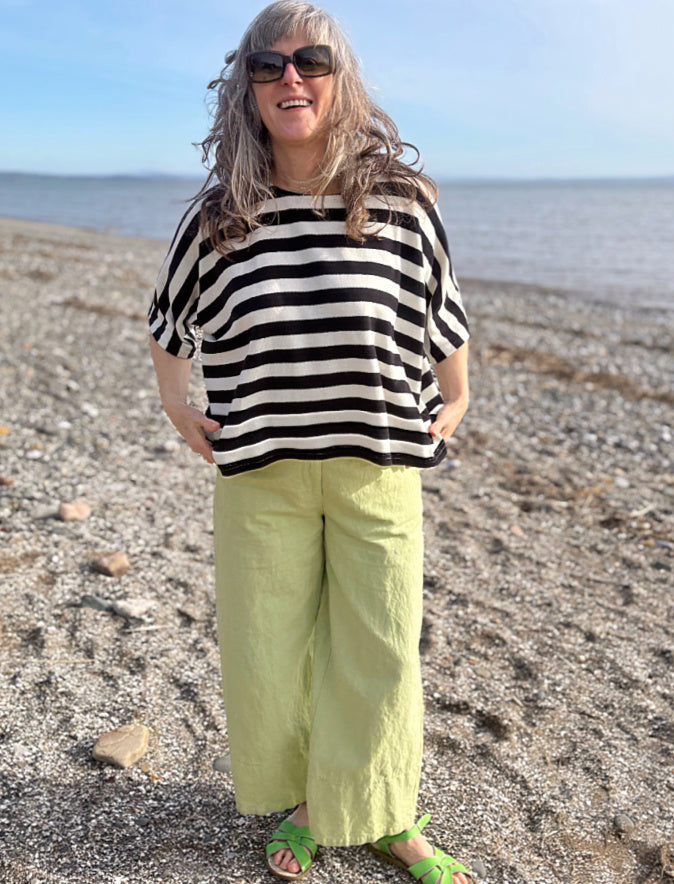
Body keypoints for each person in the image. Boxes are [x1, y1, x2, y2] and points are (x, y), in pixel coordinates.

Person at [148, 2, 472, 881]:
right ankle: (304, 803)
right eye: (268, 66)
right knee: (271, 652)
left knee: (380, 647)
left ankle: (388, 813)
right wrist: (179, 408)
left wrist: (458, 395)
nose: (290, 78)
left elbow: (441, 313)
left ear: (340, 77)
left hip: (380, 465)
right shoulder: (222, 217)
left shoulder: (400, 201)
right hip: (262, 475)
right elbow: (168, 321)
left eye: (310, 61)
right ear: (246, 90)